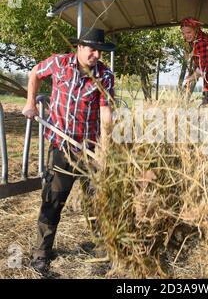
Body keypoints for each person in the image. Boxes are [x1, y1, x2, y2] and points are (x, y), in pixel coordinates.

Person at [22, 27, 115, 273]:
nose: (96, 54)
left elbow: (105, 113)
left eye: (99, 50)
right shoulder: (60, 63)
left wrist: (104, 149)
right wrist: (31, 102)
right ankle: (42, 253)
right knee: (53, 200)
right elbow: (35, 73)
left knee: (97, 202)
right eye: (92, 49)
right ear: (80, 47)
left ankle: (103, 253)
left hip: (89, 149)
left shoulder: (104, 75)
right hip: (62, 147)